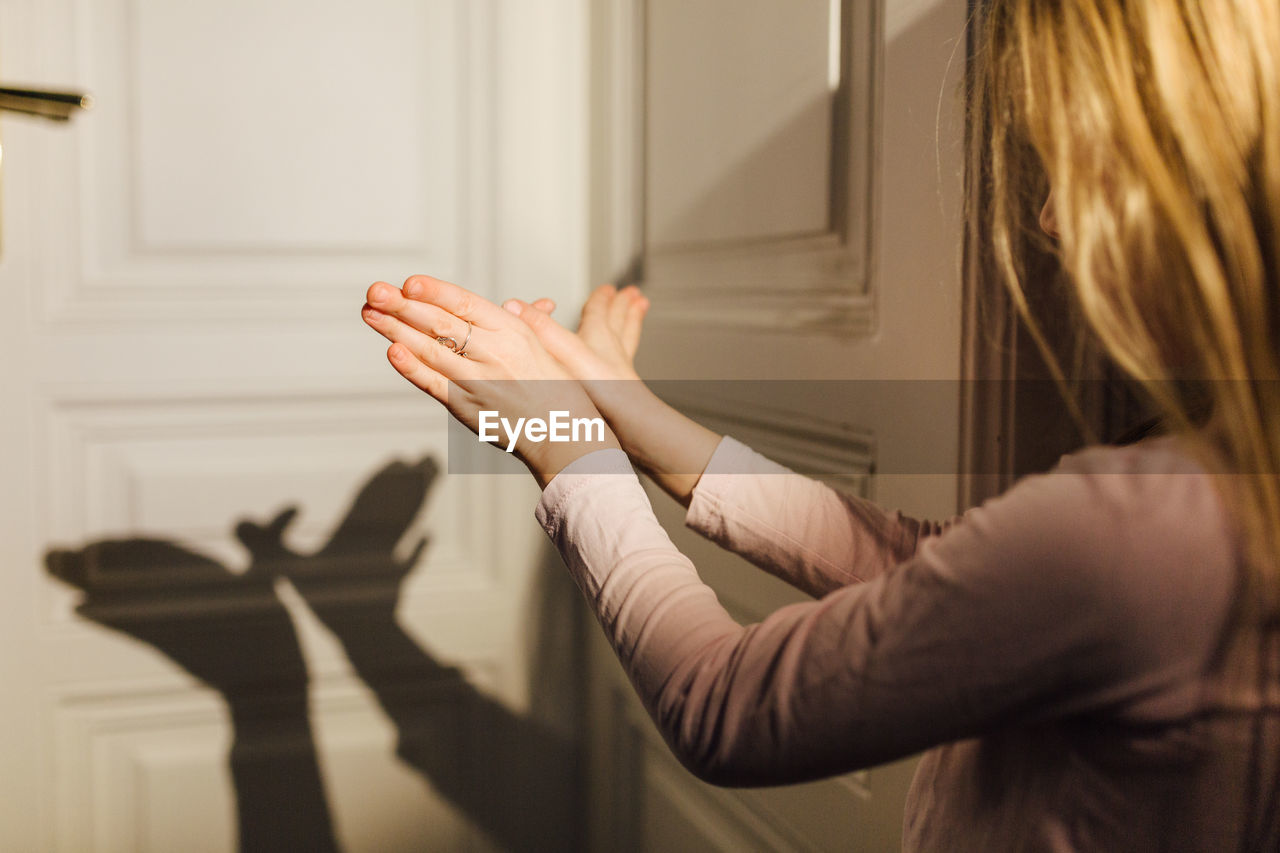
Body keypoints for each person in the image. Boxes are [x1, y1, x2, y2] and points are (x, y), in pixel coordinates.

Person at [359, 1, 1280, 849]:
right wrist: (629, 416)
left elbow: (723, 705)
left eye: (1087, 158)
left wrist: (568, 454)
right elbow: (942, 573)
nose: (1047, 211)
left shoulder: (1155, 526)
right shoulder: (1215, 485)